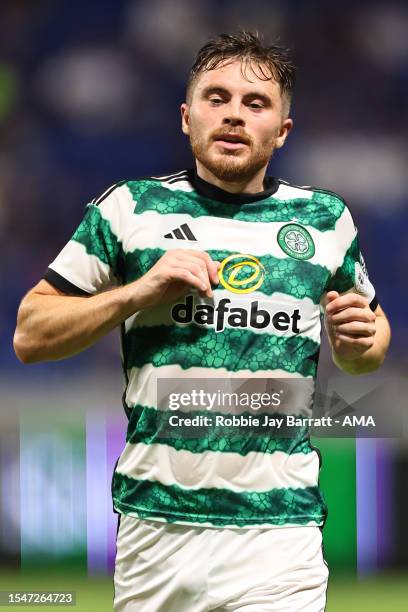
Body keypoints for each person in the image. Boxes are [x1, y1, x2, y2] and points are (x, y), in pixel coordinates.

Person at [14, 31, 390, 612]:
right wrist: (138, 291)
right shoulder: (130, 209)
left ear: (282, 131)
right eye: (217, 98)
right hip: (155, 535)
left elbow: (368, 342)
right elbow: (30, 335)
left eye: (255, 103)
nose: (234, 115)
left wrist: (360, 340)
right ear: (187, 118)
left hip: (278, 534)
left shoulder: (324, 220)